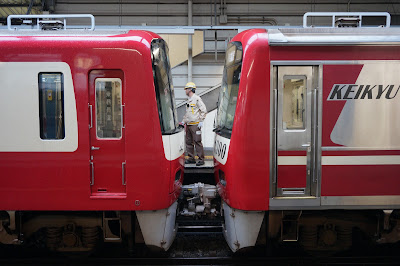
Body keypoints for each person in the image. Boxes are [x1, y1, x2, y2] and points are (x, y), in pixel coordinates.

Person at [180, 82, 207, 166]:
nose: (185, 91)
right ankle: (191, 158)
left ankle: (201, 160)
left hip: (195, 125)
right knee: (188, 142)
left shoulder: (197, 99)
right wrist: (183, 121)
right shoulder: (189, 100)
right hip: (188, 125)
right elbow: (188, 113)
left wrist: (201, 120)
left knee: (197, 142)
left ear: (190, 89)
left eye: (186, 89)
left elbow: (204, 110)